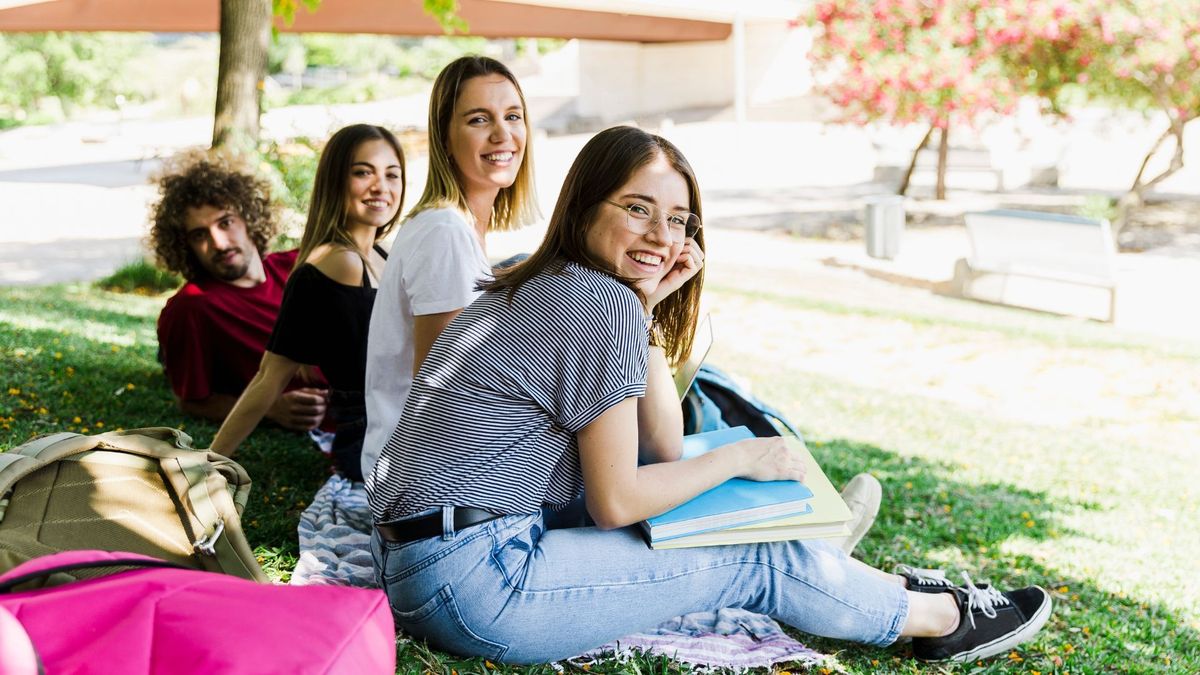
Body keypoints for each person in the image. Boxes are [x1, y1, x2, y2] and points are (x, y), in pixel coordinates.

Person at [366, 126, 1051, 665]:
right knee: (755, 557)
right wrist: (742, 458)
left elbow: (661, 447)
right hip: (481, 584)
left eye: (679, 220)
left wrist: (644, 308)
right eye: (638, 209)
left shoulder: (547, 282)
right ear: (583, 206)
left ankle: (830, 569)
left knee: (696, 509)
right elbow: (618, 502)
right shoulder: (592, 302)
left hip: (426, 564)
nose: (662, 238)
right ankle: (938, 618)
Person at [361, 55, 538, 480]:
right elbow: (444, 399)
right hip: (430, 483)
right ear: (444, 137)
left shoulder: (460, 228)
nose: (503, 134)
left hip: (446, 468)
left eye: (512, 116)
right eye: (479, 119)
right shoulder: (444, 233)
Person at [209, 124, 405, 481]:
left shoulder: (382, 256)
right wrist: (210, 462)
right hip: (373, 443)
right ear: (335, 181)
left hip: (405, 423)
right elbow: (269, 377)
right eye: (363, 172)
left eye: (392, 175)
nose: (381, 186)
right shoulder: (337, 262)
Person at [152, 152, 329, 431]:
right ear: (185, 246)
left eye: (225, 223)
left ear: (249, 218)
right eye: (200, 235)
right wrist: (270, 408)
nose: (219, 243)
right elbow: (192, 401)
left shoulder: (303, 264)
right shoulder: (190, 309)